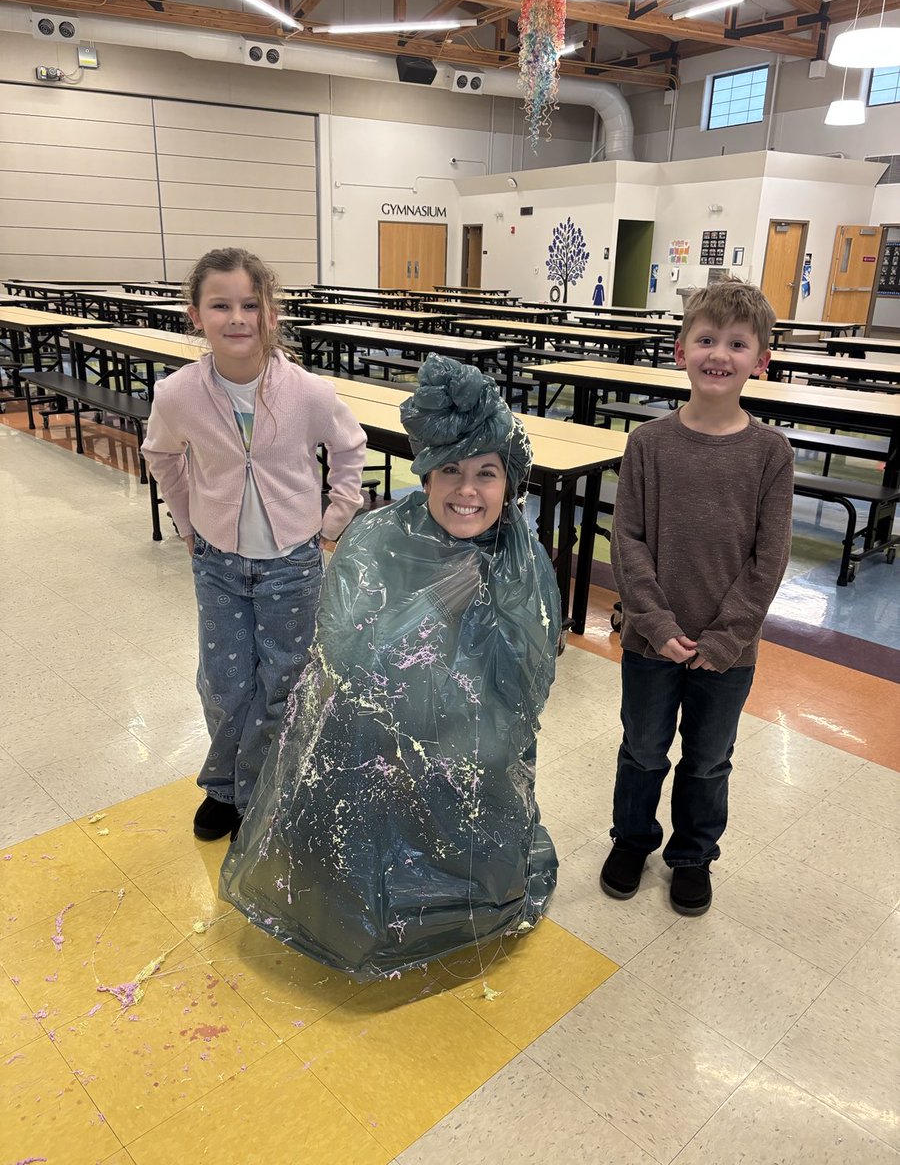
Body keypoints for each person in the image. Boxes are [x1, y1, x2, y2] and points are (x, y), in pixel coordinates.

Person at [220, 354, 562, 978]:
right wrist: (432, 604)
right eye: (450, 471)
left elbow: (528, 682)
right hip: (385, 730)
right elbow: (350, 659)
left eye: (487, 474)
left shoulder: (520, 556)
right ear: (425, 476)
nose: (467, 490)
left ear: (510, 483)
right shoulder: (380, 537)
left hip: (471, 733)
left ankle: (447, 892)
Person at [142, 247, 367, 842]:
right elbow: (161, 454)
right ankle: (224, 787)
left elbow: (349, 447)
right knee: (224, 679)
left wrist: (333, 521)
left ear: (271, 312)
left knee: (284, 681)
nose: (237, 317)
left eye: (250, 304)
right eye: (221, 305)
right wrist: (188, 521)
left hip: (293, 561)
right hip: (216, 560)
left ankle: (263, 787)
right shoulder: (178, 394)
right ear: (196, 314)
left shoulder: (307, 391)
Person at [601, 279, 794, 916]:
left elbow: (770, 558)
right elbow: (626, 538)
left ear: (760, 360)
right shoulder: (648, 444)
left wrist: (725, 637)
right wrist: (655, 624)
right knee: (643, 750)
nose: (720, 353)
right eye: (706, 339)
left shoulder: (770, 453)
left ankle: (692, 854)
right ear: (681, 349)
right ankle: (632, 840)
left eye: (738, 343)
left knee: (709, 761)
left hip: (727, 652)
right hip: (650, 642)